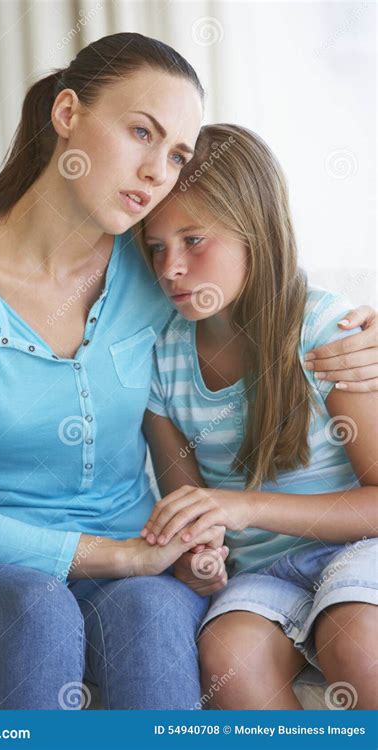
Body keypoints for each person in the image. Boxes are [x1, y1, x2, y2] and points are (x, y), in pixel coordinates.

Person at [0, 33, 376, 710]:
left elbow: (263, 280)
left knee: (153, 618)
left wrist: (368, 334)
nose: (158, 171)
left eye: (176, 153)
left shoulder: (155, 270)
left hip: (137, 561)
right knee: (36, 611)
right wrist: (115, 555)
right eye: (139, 132)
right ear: (67, 114)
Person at [140, 123, 377, 710]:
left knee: (355, 639)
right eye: (155, 246)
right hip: (262, 577)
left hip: (357, 548)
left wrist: (243, 504)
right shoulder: (162, 360)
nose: (170, 267)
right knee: (228, 656)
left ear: (257, 233)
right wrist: (199, 557)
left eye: (194, 240)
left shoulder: (328, 333)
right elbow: (192, 513)